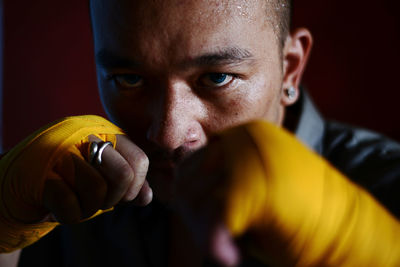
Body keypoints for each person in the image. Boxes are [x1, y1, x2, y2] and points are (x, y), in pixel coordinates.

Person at [0, 0, 399, 266]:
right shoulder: (77, 198)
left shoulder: (384, 184)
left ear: (290, 69)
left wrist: (347, 239)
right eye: (130, 79)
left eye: (217, 77)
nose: (168, 135)